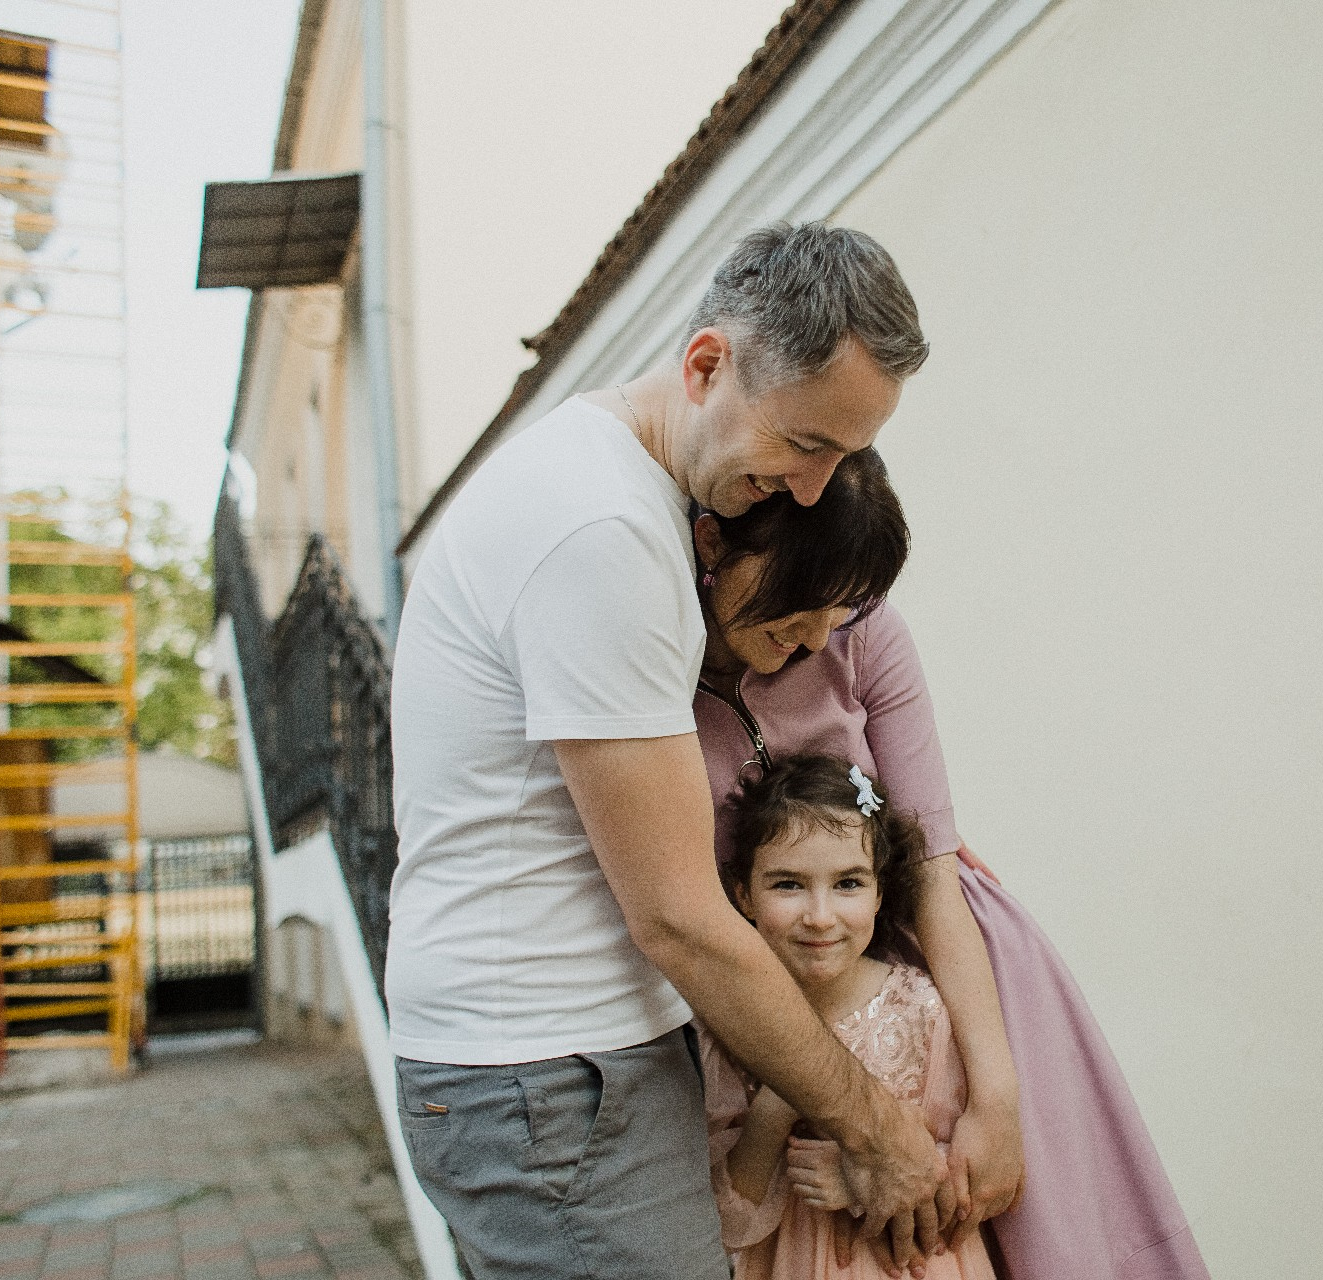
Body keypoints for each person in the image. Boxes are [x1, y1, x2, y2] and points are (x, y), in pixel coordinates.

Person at [386, 223, 946, 1280]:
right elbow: (680, 917)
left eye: (846, 455)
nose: (819, 489)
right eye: (809, 443)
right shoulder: (603, 531)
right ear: (705, 365)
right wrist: (879, 1127)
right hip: (549, 1075)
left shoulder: (607, 486)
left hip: (558, 1068)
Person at [691, 453, 1213, 1278]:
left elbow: (933, 868)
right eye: (800, 600)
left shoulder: (865, 633)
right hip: (769, 987)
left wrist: (997, 1105)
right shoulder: (652, 666)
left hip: (947, 971)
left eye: (841, 609)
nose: (819, 637)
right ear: (712, 546)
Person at [700, 755, 998, 1280]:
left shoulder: (921, 1010)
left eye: (849, 884)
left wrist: (857, 1177)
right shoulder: (727, 1027)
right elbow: (726, 1220)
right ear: (744, 894)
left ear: (881, 892)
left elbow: (971, 1182)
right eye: (788, 884)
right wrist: (774, 1110)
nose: (820, 915)